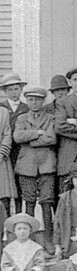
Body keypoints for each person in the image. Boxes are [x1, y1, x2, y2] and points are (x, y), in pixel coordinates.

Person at [13, 87, 57, 254]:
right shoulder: (21, 118)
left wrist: (30, 138)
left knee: (47, 203)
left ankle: (48, 240)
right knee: (29, 202)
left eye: (37, 100)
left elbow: (52, 138)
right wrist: (38, 133)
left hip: (46, 165)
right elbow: (18, 137)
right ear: (27, 101)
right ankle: (28, 240)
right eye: (30, 99)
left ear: (42, 101)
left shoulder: (50, 118)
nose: (34, 103)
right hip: (27, 166)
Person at [0, 73, 28, 212]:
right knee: (4, 188)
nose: (13, 92)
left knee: (18, 186)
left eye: (16, 89)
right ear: (5, 92)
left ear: (21, 89)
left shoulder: (26, 108)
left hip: (21, 151)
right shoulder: (1, 108)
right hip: (5, 154)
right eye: (10, 90)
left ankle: (18, 218)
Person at [0, 104, 18, 217]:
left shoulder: (3, 112)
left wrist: (1, 153)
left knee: (3, 196)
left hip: (1, 161)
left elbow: (7, 134)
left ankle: (4, 230)